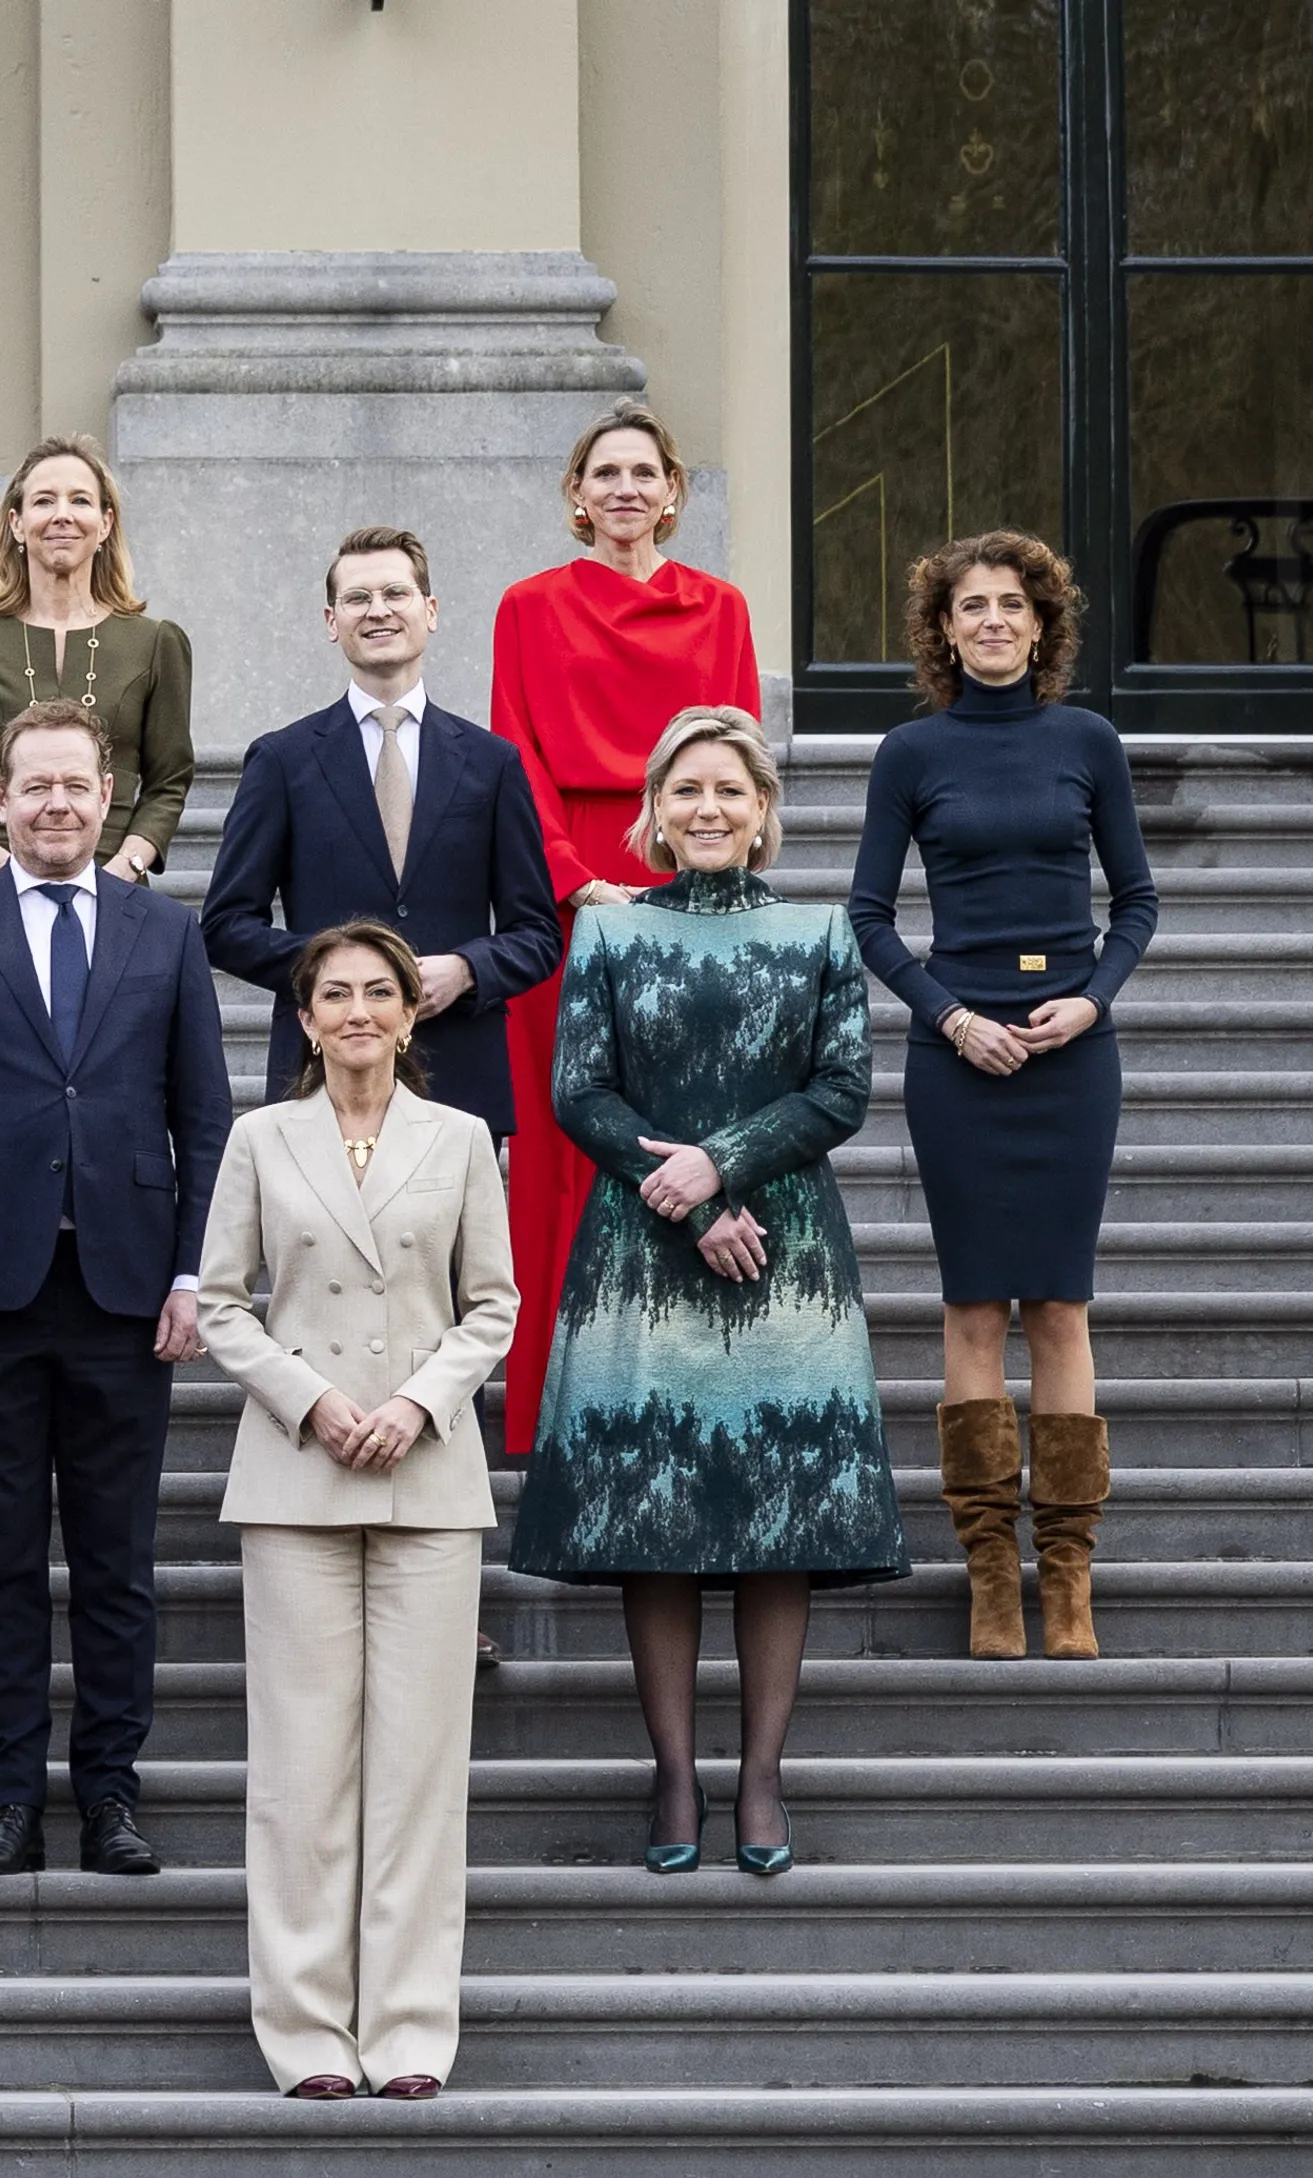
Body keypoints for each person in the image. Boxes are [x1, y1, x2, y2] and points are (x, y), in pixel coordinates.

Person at [514, 709, 906, 1876]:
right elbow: (578, 1089)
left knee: (777, 1519)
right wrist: (680, 1189)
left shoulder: (820, 929)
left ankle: (763, 1776)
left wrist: (724, 1162)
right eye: (686, 789)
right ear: (654, 808)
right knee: (660, 1523)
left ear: (763, 806)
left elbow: (843, 1089)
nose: (708, 809)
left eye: (729, 790)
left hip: (787, 1255)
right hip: (642, 1253)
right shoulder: (614, 934)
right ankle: (675, 1771)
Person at [0, 704, 231, 1880]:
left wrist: (195, 1271)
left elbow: (204, 1117)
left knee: (118, 1561)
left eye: (77, 786)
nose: (56, 805)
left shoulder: (163, 932)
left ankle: (112, 1796)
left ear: (108, 795)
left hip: (129, 1289)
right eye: (33, 786)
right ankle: (12, 1801)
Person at [191, 922, 517, 2102]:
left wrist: (420, 1404)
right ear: (306, 1016)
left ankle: (413, 2028)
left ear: (412, 1012)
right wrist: (315, 1400)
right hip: (298, 1472)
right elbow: (222, 1303)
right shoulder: (259, 1137)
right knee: (300, 1766)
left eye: (382, 990)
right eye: (337, 994)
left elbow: (493, 1305)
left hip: (428, 1476)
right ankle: (306, 2032)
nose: (362, 1011)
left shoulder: (463, 1137)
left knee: (421, 1765)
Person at [846, 532, 1157, 1663]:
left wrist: (1091, 1000)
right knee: (974, 1307)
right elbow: (869, 915)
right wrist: (950, 1018)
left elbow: (1137, 900)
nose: (989, 621)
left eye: (1010, 605)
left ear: (1041, 624)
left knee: (1061, 1307)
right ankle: (989, 1570)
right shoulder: (909, 752)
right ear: (943, 628)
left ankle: (1066, 1573)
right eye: (969, 605)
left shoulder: (1089, 740)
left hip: (1072, 1054)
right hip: (958, 1054)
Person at [488, 398, 761, 1452]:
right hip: (575, 899)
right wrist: (576, 884)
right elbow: (518, 757)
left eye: (645, 473)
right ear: (576, 494)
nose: (626, 491)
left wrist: (700, 874)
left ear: (674, 492)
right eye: (605, 474)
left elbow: (736, 768)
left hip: (688, 869)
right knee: (570, 1143)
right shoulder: (527, 606)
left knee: (698, 1112)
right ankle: (566, 1396)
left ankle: (696, 1377)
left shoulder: (723, 608)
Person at [200, 528, 561, 1133]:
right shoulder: (282, 759)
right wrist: (334, 973)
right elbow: (227, 925)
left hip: (458, 1075)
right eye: (357, 598)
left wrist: (469, 969)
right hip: (319, 1077)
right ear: (331, 619)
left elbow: (537, 933)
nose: (378, 611)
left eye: (396, 592)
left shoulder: (493, 762)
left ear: (430, 611)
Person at [0, 436, 196, 879]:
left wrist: (123, 869)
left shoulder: (157, 642)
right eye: (44, 501)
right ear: (17, 522)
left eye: (80, 501)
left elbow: (168, 783)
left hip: (115, 887)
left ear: (106, 523)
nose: (62, 515)